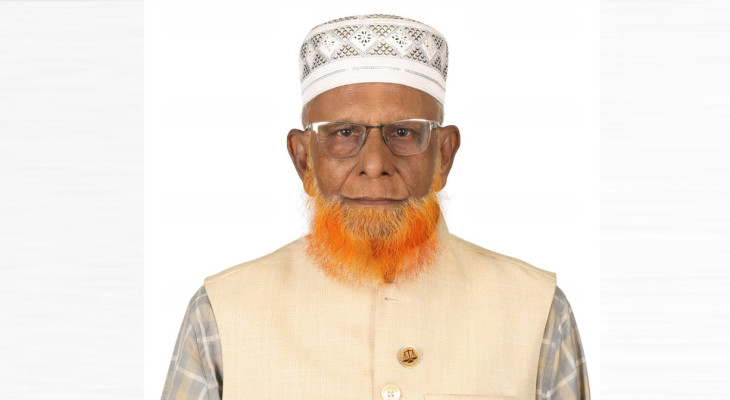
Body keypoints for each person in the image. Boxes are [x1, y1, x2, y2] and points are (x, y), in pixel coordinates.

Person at [161, 14, 590, 400]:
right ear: (304, 159)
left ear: (443, 156)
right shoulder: (222, 313)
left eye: (403, 133)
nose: (373, 164)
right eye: (343, 133)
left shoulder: (536, 311)